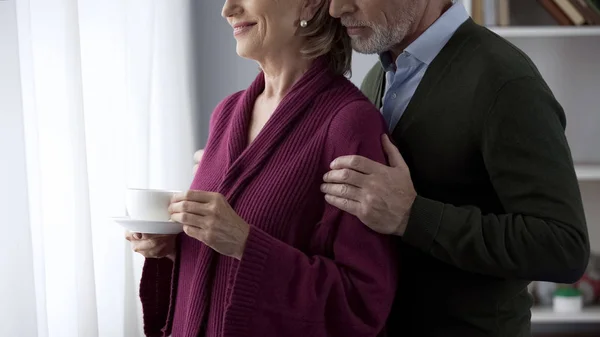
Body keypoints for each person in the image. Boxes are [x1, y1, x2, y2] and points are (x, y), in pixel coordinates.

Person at [126, 0, 399, 336]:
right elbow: (220, 257)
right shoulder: (227, 114)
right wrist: (175, 248)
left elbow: (361, 304)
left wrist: (245, 242)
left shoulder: (348, 125)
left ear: (310, 5)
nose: (227, 10)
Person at [317, 0, 590, 336]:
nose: (336, 8)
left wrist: (411, 216)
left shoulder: (504, 79)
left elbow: (564, 248)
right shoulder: (379, 78)